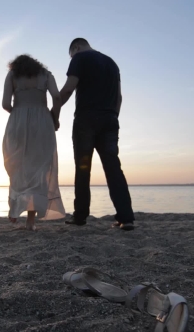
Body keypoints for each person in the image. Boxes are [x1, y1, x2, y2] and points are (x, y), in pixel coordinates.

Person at [58, 38, 135, 231]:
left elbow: (68, 88)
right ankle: (126, 219)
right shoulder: (112, 63)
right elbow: (119, 96)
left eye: (71, 54)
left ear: (75, 47)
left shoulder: (79, 58)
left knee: (83, 168)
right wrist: (113, 116)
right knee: (113, 168)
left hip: (86, 119)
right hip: (110, 119)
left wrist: (54, 110)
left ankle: (80, 217)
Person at [1, 54, 66, 230]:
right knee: (40, 169)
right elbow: (57, 98)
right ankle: (31, 221)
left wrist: (19, 113)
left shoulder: (13, 75)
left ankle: (14, 208)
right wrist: (55, 118)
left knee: (17, 166)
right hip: (42, 121)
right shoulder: (46, 74)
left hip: (18, 121)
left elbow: (6, 103)